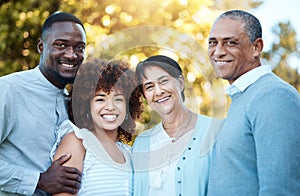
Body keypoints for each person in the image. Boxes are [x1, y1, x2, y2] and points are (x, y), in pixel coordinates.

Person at [207, 10, 300, 195]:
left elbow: (280, 189)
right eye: (213, 43)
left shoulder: (273, 96)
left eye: (230, 43)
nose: (218, 51)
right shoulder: (243, 97)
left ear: (256, 47)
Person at [0, 12, 86, 195]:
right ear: (41, 46)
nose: (72, 55)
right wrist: (38, 180)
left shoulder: (75, 102)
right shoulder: (9, 89)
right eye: (61, 45)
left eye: (80, 48)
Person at [132, 55, 223, 196]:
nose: (158, 91)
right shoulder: (141, 143)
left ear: (180, 83)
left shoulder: (216, 131)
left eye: (164, 81)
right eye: (149, 87)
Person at [52, 59, 143, 196]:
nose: (110, 107)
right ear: (86, 105)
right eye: (100, 99)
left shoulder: (129, 153)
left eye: (118, 99)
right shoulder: (78, 141)